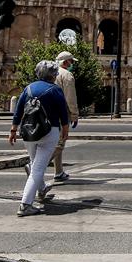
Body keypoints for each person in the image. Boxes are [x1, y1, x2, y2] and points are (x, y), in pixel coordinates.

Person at [10, 61, 69, 217]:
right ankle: (25, 205)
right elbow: (64, 112)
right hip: (49, 132)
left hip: (28, 132)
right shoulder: (55, 90)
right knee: (37, 169)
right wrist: (65, 130)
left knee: (36, 163)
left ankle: (42, 189)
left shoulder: (28, 88)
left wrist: (13, 130)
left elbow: (18, 111)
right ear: (53, 75)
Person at [51, 51, 79, 182]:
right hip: (62, 113)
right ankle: (35, 165)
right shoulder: (67, 75)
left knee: (55, 142)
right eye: (71, 61)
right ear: (65, 62)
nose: (72, 64)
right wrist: (74, 115)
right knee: (60, 143)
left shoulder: (50, 73)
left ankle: (59, 171)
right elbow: (70, 97)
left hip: (48, 111)